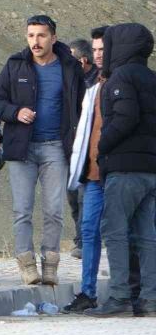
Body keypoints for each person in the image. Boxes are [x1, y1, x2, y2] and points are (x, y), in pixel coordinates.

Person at [0, 15, 85, 286]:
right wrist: (15, 112)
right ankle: (26, 263)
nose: (36, 41)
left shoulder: (69, 67)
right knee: (22, 209)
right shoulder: (15, 65)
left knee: (54, 209)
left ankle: (51, 264)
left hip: (56, 147)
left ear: (53, 38)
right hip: (22, 148)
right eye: (31, 35)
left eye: (41, 35)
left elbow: (81, 106)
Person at [86, 23, 156, 317]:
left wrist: (103, 146)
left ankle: (119, 297)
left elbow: (125, 117)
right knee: (147, 235)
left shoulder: (121, 77)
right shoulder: (151, 78)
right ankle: (150, 300)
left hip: (125, 168)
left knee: (113, 230)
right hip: (150, 169)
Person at [61, 29, 108, 314]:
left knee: (122, 233)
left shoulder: (122, 85)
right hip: (89, 171)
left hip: (117, 171)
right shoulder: (87, 87)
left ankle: (131, 290)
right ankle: (88, 292)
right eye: (96, 49)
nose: (98, 54)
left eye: (103, 49)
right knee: (89, 229)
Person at [66, 38, 98, 259]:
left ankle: (85, 241)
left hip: (91, 151)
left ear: (82, 61)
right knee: (72, 196)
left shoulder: (99, 83)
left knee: (83, 197)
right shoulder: (68, 82)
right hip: (71, 148)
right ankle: (82, 238)